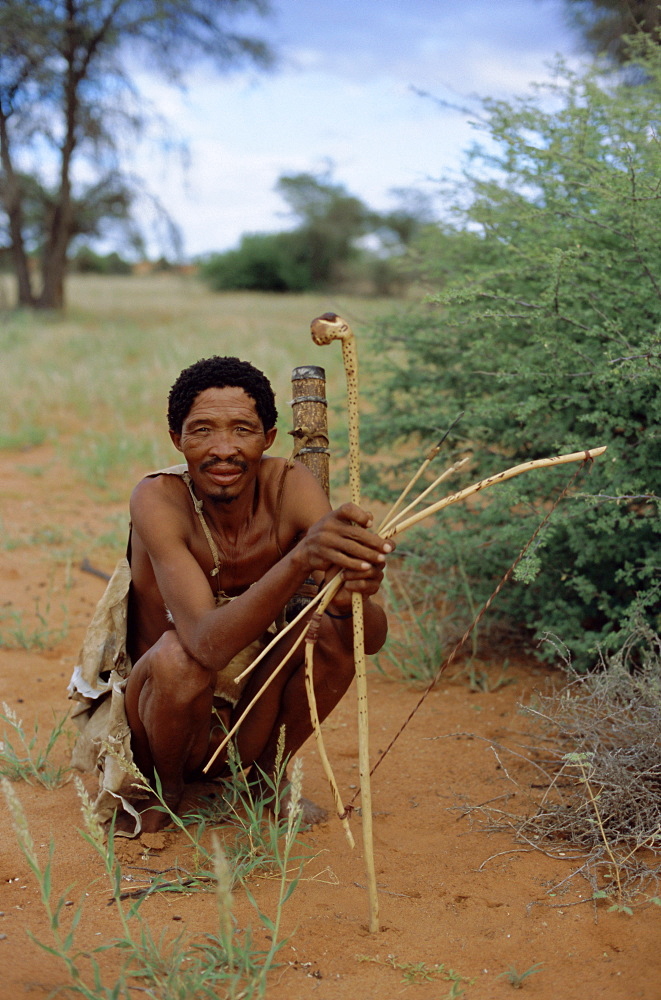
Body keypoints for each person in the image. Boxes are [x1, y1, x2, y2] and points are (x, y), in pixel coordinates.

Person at [69, 356, 393, 834]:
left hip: (247, 719)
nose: (224, 449)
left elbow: (366, 641)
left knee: (323, 629)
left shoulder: (290, 488)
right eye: (202, 431)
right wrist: (303, 559)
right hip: (157, 720)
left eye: (242, 429)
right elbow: (204, 644)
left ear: (268, 437)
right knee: (179, 658)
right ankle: (168, 790)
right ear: (177, 440)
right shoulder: (158, 499)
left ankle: (264, 782)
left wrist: (356, 593)